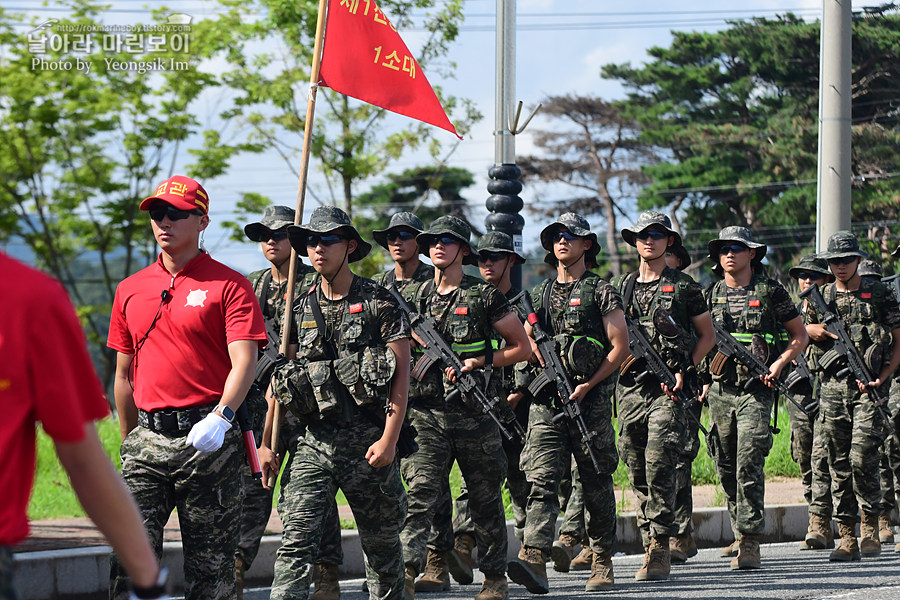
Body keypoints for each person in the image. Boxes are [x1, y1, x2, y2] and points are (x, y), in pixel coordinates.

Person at [107, 175, 267, 600]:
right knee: (127, 563)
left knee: (211, 572)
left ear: (202, 221)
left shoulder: (230, 285)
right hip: (147, 441)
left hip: (208, 442)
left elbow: (245, 362)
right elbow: (123, 376)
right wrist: (129, 440)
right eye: (157, 214)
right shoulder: (130, 289)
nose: (164, 222)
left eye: (176, 214)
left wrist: (222, 416)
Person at [0, 252, 167, 600]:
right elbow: (83, 461)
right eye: (159, 213)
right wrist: (148, 583)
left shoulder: (29, 299)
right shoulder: (30, 296)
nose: (164, 222)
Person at [264, 206, 411, 600]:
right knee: (296, 542)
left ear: (349, 245)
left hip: (367, 440)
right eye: (310, 241)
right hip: (314, 441)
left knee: (382, 551)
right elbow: (280, 381)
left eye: (327, 240)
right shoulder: (296, 306)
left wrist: (389, 440)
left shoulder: (380, 302)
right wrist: (267, 444)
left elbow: (401, 378)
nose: (317, 249)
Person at [399, 216, 531, 600]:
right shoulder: (416, 296)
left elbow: (520, 347)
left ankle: (494, 578)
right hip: (426, 415)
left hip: (475, 414)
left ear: (463, 250)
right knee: (422, 492)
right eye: (434, 240)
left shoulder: (484, 295)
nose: (438, 246)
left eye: (448, 240)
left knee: (484, 497)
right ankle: (415, 568)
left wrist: (483, 361)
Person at [508, 213, 628, 594]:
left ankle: (602, 559)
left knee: (595, 480)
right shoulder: (540, 294)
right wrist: (533, 355)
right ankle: (534, 556)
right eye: (556, 236)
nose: (562, 241)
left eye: (570, 236)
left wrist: (589, 384)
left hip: (588, 403)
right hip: (547, 402)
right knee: (540, 479)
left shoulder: (600, 290)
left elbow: (620, 346)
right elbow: (525, 344)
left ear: (586, 245)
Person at [239, 206, 344, 600]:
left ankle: (327, 571)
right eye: (264, 233)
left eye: (280, 234)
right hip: (257, 404)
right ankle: (236, 566)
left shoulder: (314, 283)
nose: (271, 240)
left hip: (304, 405)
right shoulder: (252, 286)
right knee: (253, 486)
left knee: (312, 493)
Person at [612, 212, 715, 580]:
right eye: (642, 235)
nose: (649, 241)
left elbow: (707, 335)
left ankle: (659, 547)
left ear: (668, 241)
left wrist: (686, 366)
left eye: (656, 235)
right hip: (630, 391)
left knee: (659, 462)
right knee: (635, 464)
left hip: (668, 391)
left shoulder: (685, 286)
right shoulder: (619, 288)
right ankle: (649, 535)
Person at [701, 226, 808, 570]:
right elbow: (700, 342)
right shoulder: (710, 294)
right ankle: (738, 528)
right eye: (723, 248)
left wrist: (778, 364)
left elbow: (799, 335)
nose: (729, 253)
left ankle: (750, 540)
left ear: (752, 254)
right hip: (719, 391)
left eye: (737, 247)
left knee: (749, 460)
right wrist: (701, 381)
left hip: (756, 391)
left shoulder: (770, 291)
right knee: (726, 465)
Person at [805, 231, 900, 561]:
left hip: (870, 389)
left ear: (858, 260)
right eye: (834, 261)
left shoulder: (880, 293)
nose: (841, 266)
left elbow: (899, 340)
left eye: (846, 260)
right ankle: (847, 535)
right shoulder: (821, 296)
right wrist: (814, 330)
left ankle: (870, 526)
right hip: (833, 390)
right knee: (839, 462)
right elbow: (802, 332)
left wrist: (882, 378)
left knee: (863, 456)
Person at [787, 254, 835, 550]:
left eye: (814, 276)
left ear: (826, 281)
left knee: (822, 456)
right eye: (803, 276)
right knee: (803, 456)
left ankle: (820, 522)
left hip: (827, 391)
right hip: (799, 394)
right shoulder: (791, 313)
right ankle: (815, 512)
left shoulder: (833, 314)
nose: (807, 281)